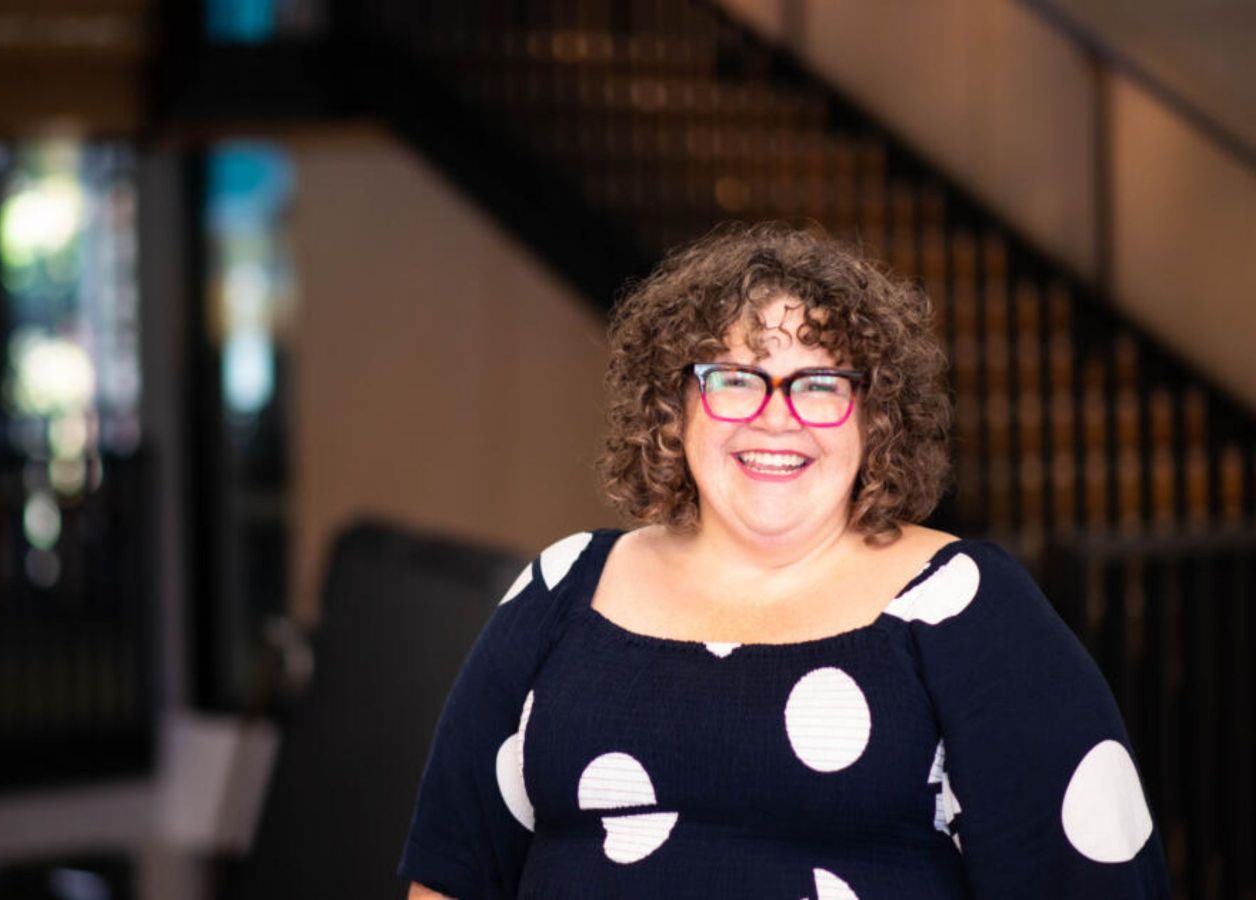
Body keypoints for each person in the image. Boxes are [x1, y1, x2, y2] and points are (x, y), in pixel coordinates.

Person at [398, 224, 1169, 898]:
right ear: (675, 405)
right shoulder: (562, 590)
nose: (776, 418)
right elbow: (453, 873)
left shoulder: (969, 613)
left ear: (875, 414)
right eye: (735, 379)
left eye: (819, 383)